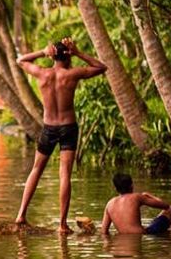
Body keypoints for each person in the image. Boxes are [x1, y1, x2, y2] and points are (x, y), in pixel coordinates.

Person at [14, 37, 107, 233]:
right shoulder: (73, 74)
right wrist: (79, 52)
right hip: (68, 127)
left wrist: (42, 51)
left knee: (36, 169)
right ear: (68, 56)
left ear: (53, 56)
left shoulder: (42, 73)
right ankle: (62, 225)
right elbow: (101, 67)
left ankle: (21, 214)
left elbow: (20, 61)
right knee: (64, 173)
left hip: (49, 128)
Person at [101, 173, 171, 235]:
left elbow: (104, 232)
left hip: (123, 237)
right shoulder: (136, 197)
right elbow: (165, 206)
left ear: (116, 189)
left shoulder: (109, 204)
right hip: (142, 235)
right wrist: (149, 195)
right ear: (131, 186)